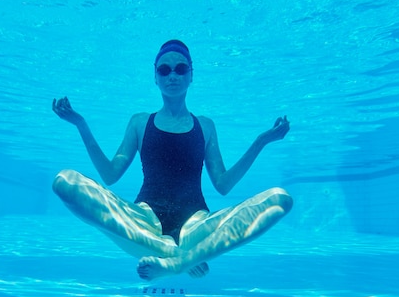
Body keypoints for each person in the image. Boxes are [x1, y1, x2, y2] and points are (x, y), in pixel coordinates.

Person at [52, 40, 293, 281]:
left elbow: (223, 184)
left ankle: (178, 262)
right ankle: (180, 256)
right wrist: (80, 124)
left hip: (195, 223)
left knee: (279, 200)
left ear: (191, 75)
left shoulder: (206, 126)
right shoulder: (139, 122)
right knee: (65, 182)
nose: (173, 75)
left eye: (180, 69)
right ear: (155, 76)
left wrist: (261, 141)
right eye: (164, 70)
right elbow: (110, 175)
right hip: (144, 222)